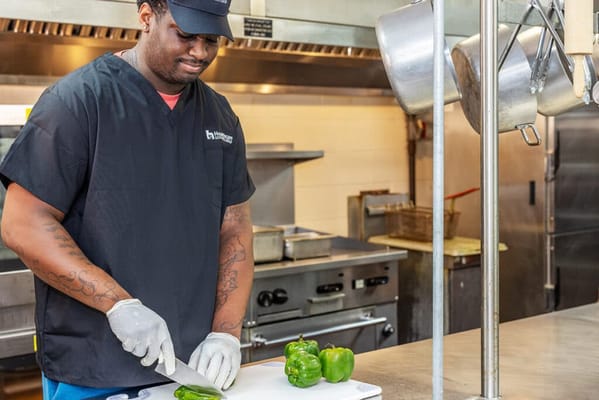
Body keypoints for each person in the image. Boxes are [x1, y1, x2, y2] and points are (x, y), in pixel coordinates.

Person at [0, 0, 255, 398]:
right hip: (95, 368)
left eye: (212, 39)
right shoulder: (77, 102)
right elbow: (23, 224)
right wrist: (119, 306)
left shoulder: (219, 117)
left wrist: (225, 333)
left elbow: (235, 229)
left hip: (191, 370)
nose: (200, 52)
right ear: (146, 15)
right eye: (186, 35)